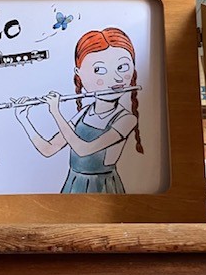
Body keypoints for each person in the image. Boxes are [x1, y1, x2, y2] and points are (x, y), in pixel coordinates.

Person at [13, 27, 143, 193]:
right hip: (73, 185)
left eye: (123, 67)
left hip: (103, 188)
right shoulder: (84, 113)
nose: (116, 78)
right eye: (99, 70)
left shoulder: (126, 119)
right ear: (79, 73)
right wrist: (24, 119)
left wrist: (56, 112)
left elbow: (83, 149)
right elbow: (49, 149)